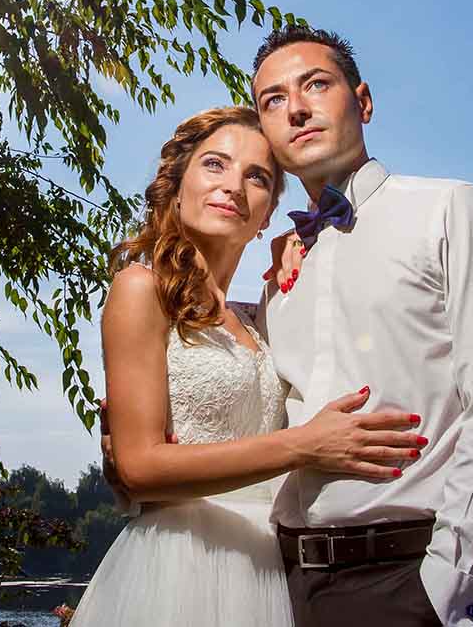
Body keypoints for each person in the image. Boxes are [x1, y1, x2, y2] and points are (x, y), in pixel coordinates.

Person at [71, 106, 428, 627]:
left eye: (256, 177)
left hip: (271, 570)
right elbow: (138, 469)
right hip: (180, 571)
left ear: (267, 215)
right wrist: (304, 445)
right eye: (215, 165)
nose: (233, 186)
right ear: (176, 185)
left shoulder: (263, 314)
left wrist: (309, 245)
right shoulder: (140, 289)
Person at [253, 25, 473, 626]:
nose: (296, 107)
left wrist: (448, 592)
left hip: (405, 582)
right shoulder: (277, 272)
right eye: (272, 99)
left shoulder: (448, 208)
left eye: (316, 84)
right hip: (281, 588)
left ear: (364, 101)